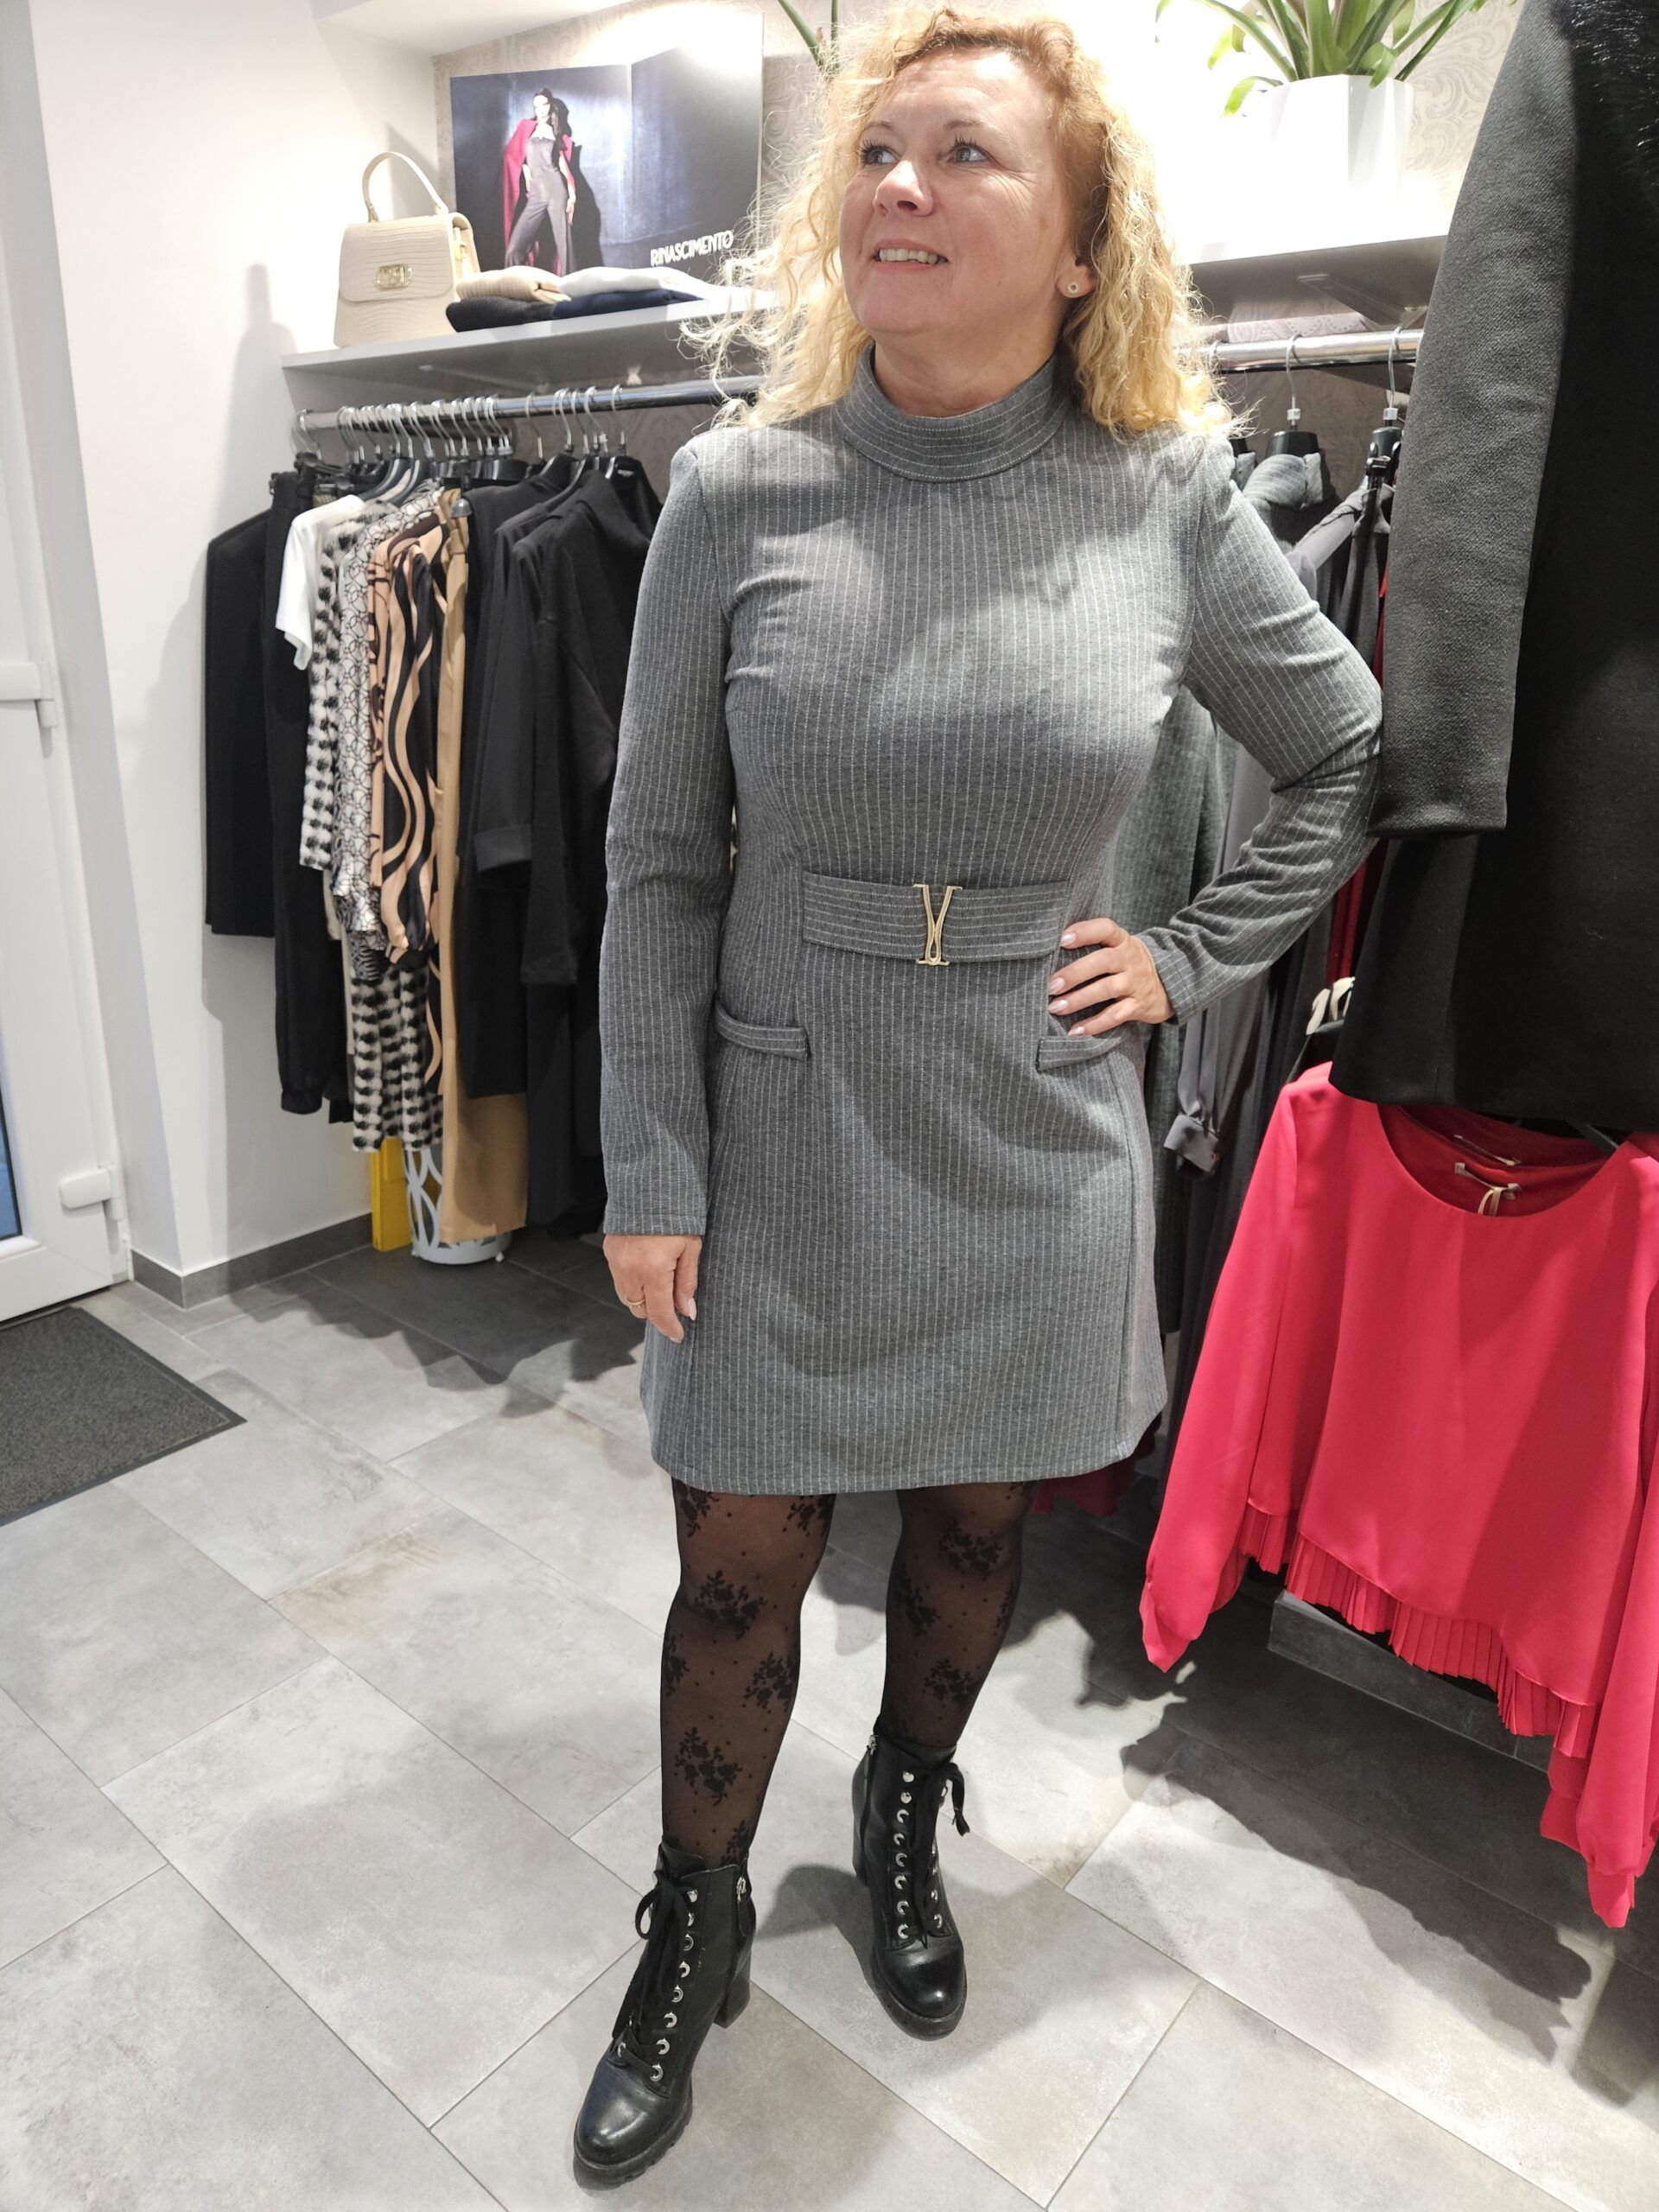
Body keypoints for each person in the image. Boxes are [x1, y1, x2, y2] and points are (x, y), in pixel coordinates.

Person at [575, 2, 1382, 2183]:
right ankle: (693, 1916)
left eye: (965, 154)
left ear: (1085, 238)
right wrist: (649, 1154)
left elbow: (1340, 751)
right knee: (739, 1562)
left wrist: (1192, 953)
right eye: (879, 151)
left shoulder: (1165, 496)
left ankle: (904, 1809)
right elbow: (658, 863)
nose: (901, 187)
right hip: (779, 1124)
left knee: (971, 1527)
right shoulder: (734, 495)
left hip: (1033, 1131)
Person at [500, 89, 575, 272]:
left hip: (557, 191)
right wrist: (526, 171)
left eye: (544, 105)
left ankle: (569, 286)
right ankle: (516, 284)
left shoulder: (557, 132)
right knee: (514, 248)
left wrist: (572, 194)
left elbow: (562, 164)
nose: (540, 110)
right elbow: (514, 155)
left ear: (551, 105)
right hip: (536, 194)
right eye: (536, 106)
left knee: (564, 246)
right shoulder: (527, 127)